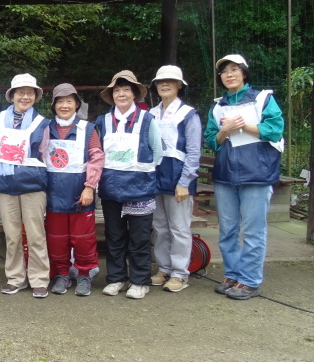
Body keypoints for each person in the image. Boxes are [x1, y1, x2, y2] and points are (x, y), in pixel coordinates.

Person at [203, 54, 284, 300]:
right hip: (225, 176)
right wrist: (224, 131)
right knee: (227, 229)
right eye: (225, 71)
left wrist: (242, 126)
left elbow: (275, 129)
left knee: (253, 230)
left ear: (244, 73)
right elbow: (210, 141)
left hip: (257, 174)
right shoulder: (218, 106)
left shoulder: (262, 99)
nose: (229, 74)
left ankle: (249, 280)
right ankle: (233, 274)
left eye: (234, 69)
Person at [0, 74, 50, 298]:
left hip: (33, 184)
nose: (25, 96)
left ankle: (39, 279)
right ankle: (15, 278)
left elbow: (45, 153)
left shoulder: (42, 123)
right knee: (12, 235)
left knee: (36, 234)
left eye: (30, 92)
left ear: (36, 96)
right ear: (12, 96)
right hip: (6, 183)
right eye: (20, 92)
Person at [95, 71, 162, 299]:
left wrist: (141, 173)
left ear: (134, 93)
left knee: (140, 238)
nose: (121, 94)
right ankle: (116, 278)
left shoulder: (147, 119)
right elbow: (96, 154)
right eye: (116, 90)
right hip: (111, 189)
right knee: (114, 236)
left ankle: (139, 280)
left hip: (140, 189)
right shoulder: (102, 121)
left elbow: (157, 152)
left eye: (125, 90)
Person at [44, 83, 104, 297]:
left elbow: (97, 157)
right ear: (54, 105)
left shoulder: (88, 129)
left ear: (77, 104)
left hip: (80, 194)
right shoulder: (46, 128)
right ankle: (61, 274)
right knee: (56, 238)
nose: (65, 105)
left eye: (69, 101)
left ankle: (84, 275)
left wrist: (90, 187)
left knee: (83, 238)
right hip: (53, 194)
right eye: (60, 101)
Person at [149, 66, 201, 293]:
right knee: (159, 227)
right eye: (161, 81)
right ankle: (164, 268)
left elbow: (193, 151)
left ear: (180, 85)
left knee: (179, 228)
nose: (165, 84)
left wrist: (184, 182)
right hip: (155, 177)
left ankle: (180, 273)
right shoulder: (151, 114)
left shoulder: (189, 114)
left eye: (170, 81)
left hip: (178, 177)